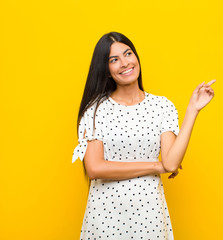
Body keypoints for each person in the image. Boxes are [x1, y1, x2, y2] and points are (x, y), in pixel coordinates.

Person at [72, 31, 215, 239]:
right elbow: (95, 168)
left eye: (128, 54)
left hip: (149, 216)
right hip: (104, 218)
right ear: (106, 69)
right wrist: (155, 166)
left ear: (136, 57)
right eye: (114, 60)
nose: (124, 63)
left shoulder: (161, 106)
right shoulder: (95, 110)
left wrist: (193, 109)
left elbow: (172, 163)